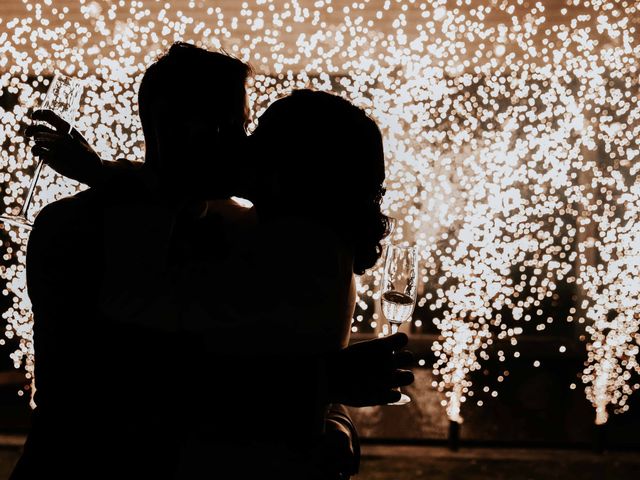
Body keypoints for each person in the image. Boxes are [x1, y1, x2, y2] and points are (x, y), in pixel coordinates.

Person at [19, 43, 414, 479]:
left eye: (251, 131)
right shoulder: (75, 228)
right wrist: (323, 391)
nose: (244, 147)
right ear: (177, 127)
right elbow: (123, 392)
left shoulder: (251, 230)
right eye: (234, 128)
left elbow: (283, 352)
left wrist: (334, 419)